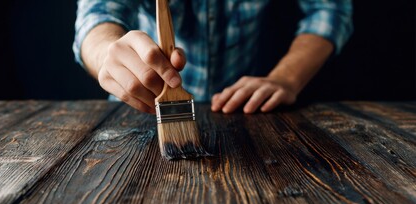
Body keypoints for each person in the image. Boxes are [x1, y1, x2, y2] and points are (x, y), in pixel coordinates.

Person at [73, 0, 353, 114]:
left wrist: (286, 78)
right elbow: (97, 16)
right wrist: (105, 53)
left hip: (244, 113)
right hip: (136, 110)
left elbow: (328, 10)